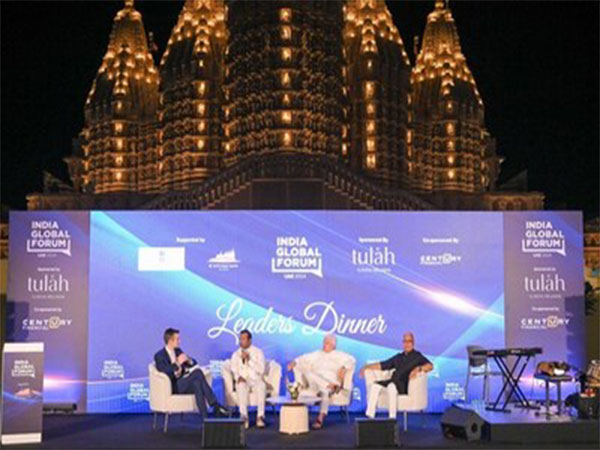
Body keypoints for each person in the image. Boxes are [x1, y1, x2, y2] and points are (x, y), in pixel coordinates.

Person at [154, 328, 229, 419]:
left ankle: (205, 420)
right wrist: (177, 364)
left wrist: (188, 360)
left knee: (197, 384)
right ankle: (215, 405)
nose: (179, 341)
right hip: (173, 385)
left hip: (184, 382)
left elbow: (193, 362)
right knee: (197, 372)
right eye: (177, 339)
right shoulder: (159, 355)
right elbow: (164, 370)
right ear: (170, 340)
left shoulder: (178, 351)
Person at [287, 334, 356, 429]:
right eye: (324, 342)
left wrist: (344, 368)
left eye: (327, 343)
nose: (324, 345)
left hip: (330, 380)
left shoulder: (340, 355)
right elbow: (303, 358)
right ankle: (330, 386)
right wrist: (294, 362)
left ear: (333, 345)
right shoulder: (317, 353)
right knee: (309, 373)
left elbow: (352, 360)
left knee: (325, 392)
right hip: (314, 382)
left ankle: (320, 418)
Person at [360, 331, 433, 419]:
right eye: (405, 342)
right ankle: (370, 416)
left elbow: (430, 366)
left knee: (391, 387)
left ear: (413, 343)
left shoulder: (417, 356)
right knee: (375, 386)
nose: (407, 344)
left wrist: (419, 369)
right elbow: (384, 365)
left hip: (403, 384)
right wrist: (367, 366)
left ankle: (392, 418)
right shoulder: (399, 356)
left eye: (409, 341)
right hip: (393, 381)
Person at [230, 329, 267, 429]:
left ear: (250, 340)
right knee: (241, 386)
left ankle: (260, 416)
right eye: (240, 339)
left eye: (243, 339)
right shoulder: (235, 354)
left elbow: (261, 369)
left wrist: (249, 360)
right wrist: (238, 377)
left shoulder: (258, 352)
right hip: (243, 380)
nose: (241, 341)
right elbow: (234, 369)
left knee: (262, 385)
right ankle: (244, 417)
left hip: (255, 379)